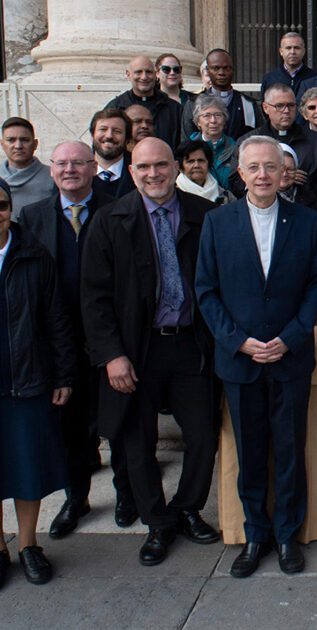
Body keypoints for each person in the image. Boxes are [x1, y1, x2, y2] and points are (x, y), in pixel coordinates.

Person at [81, 137, 220, 566]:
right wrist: (111, 356)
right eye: (143, 168)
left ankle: (187, 508)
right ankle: (158, 523)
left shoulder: (206, 215)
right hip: (135, 351)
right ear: (131, 171)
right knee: (136, 442)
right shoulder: (109, 221)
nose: (153, 174)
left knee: (202, 433)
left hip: (189, 346)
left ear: (176, 166)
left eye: (161, 165)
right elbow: (94, 297)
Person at [195, 136, 317, 576]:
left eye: (270, 167)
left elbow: (316, 286)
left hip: (290, 358)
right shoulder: (218, 223)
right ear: (239, 173)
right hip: (241, 361)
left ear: (284, 172)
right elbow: (206, 291)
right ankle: (256, 535)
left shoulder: (308, 222)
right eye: (253, 167)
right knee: (250, 454)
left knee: (290, 451)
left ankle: (288, 535)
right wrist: (237, 341)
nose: (262, 175)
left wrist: (290, 337)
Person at [17, 141, 133, 539]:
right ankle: (76, 497)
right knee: (70, 425)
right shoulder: (31, 218)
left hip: (113, 337)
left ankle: (126, 493)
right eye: (62, 164)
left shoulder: (118, 208)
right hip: (59, 344)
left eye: (78, 163)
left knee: (120, 422)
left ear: (93, 167)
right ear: (51, 170)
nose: (70, 170)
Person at [0, 176, 76, 586]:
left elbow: (56, 319)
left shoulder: (33, 254)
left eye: (0, 205)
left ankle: (29, 544)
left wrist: (63, 373)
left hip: (28, 380)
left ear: (10, 209)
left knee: (27, 470)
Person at [234, 84, 317, 215]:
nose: (286, 111)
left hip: (304, 214)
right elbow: (236, 181)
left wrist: (301, 182)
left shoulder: (316, 142)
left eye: (291, 106)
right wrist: (268, 179)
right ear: (265, 108)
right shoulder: (248, 142)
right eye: (279, 106)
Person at [181, 50, 263, 141]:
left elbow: (258, 137)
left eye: (226, 68)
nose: (221, 73)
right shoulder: (193, 104)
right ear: (208, 71)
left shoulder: (248, 104)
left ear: (232, 70)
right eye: (216, 68)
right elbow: (187, 141)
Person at [105, 55, 183, 149]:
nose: (144, 77)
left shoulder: (175, 109)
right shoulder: (115, 108)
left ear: (155, 75)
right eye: (138, 72)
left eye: (149, 72)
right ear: (128, 74)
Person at [0, 117, 55, 220]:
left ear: (35, 144)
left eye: (24, 140)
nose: (18, 146)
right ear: (2, 144)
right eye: (11, 140)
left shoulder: (53, 177)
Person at [187, 94, 236, 190]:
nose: (213, 120)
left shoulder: (235, 148)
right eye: (207, 116)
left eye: (218, 115)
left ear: (224, 119)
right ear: (198, 122)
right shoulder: (187, 150)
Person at [90, 108, 136, 198]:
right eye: (103, 129)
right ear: (92, 136)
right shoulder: (77, 170)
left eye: (117, 131)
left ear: (127, 139)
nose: (109, 136)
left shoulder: (139, 171)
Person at [175, 139, 232, 205]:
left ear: (209, 164)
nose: (196, 165)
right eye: (190, 161)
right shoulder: (173, 197)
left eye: (201, 160)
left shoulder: (225, 197)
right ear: (180, 167)